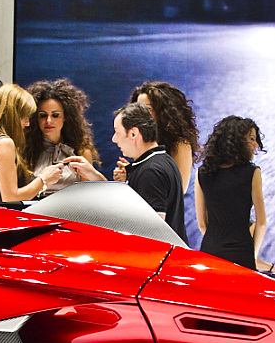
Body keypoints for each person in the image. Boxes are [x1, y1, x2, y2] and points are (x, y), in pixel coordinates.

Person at [195, 115, 275, 273]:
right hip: (242, 254)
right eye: (252, 139)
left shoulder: (202, 173)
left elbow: (202, 224)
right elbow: (261, 223)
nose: (256, 145)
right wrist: (253, 255)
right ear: (237, 141)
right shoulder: (252, 173)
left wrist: (218, 243)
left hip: (210, 252)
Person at [0, 83, 64, 205]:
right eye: (25, 116)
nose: (27, 123)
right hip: (5, 216)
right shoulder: (4, 144)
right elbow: (11, 198)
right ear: (12, 115)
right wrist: (43, 179)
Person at [110, 101, 185, 238]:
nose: (114, 139)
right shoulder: (163, 161)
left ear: (133, 134)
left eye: (117, 132)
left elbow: (153, 233)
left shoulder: (151, 172)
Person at [24, 79, 107, 195]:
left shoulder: (81, 152)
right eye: (43, 115)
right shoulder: (26, 151)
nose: (48, 121)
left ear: (66, 117)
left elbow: (86, 195)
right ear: (35, 118)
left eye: (55, 115)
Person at [116, 82, 198, 191]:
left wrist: (131, 176)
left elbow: (178, 189)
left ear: (164, 112)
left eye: (147, 109)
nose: (141, 114)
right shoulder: (144, 140)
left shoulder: (180, 144)